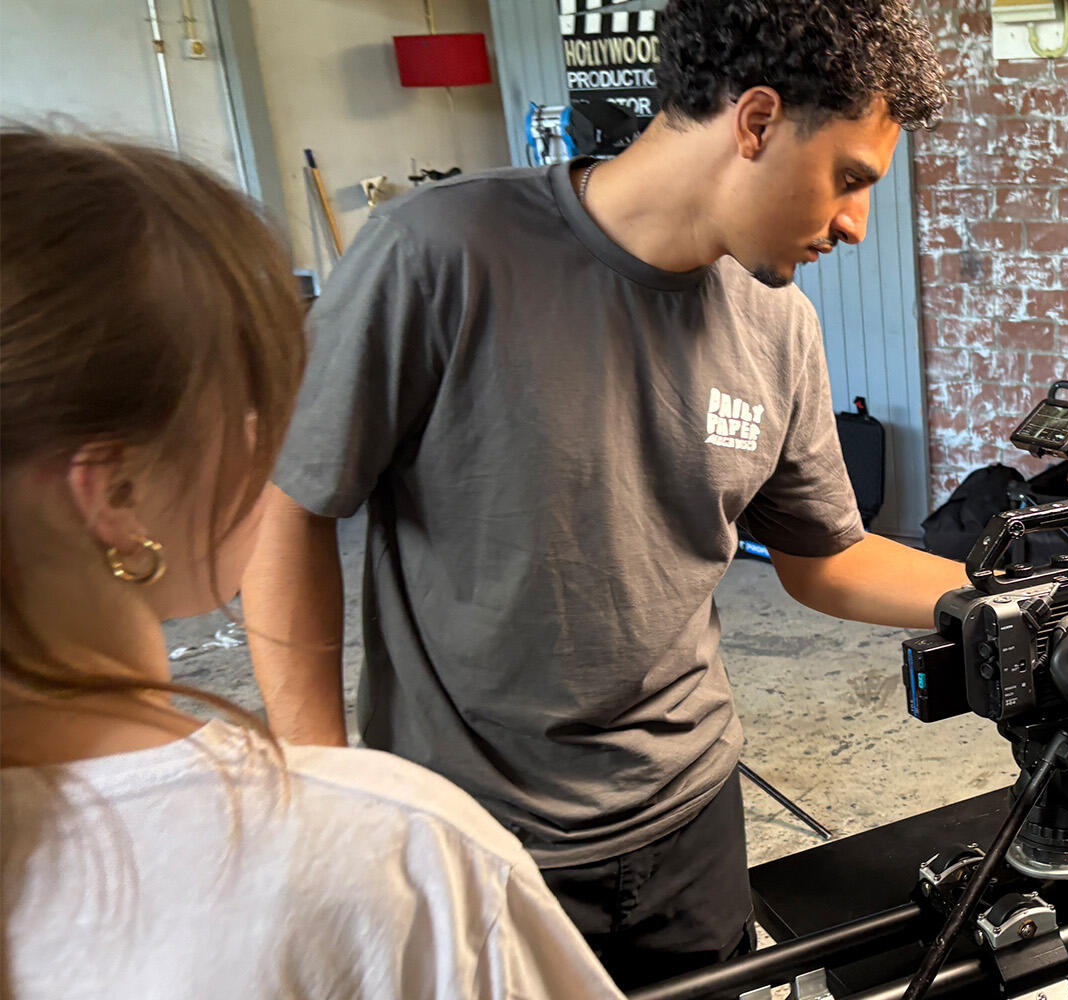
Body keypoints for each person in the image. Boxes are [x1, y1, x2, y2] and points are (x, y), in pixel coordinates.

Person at [243, 0, 1068, 988]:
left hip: (687, 821)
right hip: (473, 837)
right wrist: (320, 787)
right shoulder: (437, 254)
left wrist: (1053, 597)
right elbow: (289, 509)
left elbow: (827, 559)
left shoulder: (776, 326)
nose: (856, 224)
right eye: (849, 178)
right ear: (755, 121)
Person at [0, 130, 624, 998]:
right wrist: (326, 787)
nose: (272, 435)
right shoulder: (390, 853)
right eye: (249, 399)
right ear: (116, 493)